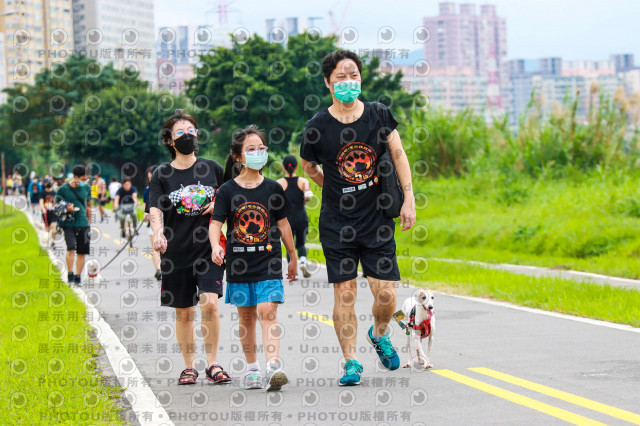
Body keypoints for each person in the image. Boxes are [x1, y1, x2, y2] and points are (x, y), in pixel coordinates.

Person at [300, 50, 417, 386]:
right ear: (328, 83)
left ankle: (379, 334)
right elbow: (308, 166)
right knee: (345, 293)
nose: (348, 82)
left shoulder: (378, 115)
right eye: (341, 77)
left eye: (353, 76)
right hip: (337, 224)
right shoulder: (317, 127)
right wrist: (332, 186)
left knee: (386, 295)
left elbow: (398, 155)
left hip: (378, 218)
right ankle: (351, 362)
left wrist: (409, 198)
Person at [210, 125, 297, 392]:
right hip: (239, 263)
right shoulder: (227, 190)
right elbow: (215, 224)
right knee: (246, 317)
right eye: (251, 149)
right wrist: (215, 246)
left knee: (267, 311)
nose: (258, 153)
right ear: (238, 156)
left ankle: (273, 367)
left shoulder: (273, 188)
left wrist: (293, 256)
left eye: (261, 148)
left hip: (269, 260)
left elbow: (283, 225)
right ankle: (252, 369)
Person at [149, 109, 232, 386]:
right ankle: (188, 367)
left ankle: (212, 364)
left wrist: (217, 204)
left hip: (209, 249)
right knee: (184, 311)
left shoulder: (212, 168)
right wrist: (158, 233)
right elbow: (155, 208)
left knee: (210, 303)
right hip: (176, 252)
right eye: (180, 133)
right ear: (170, 140)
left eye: (191, 131)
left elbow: (229, 195)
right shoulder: (162, 174)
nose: (188, 136)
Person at [55, 165, 92, 285]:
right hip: (68, 223)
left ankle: (78, 276)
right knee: (70, 248)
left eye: (86, 179)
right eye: (83, 179)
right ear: (75, 177)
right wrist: (66, 208)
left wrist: (89, 222)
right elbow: (56, 207)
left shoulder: (86, 188)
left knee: (82, 252)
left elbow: (89, 206)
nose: (84, 181)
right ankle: (70, 274)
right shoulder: (63, 189)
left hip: (83, 223)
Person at [277, 155, 313, 278]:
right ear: (297, 167)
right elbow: (308, 195)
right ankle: (303, 260)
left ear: (283, 167)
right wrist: (305, 201)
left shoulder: (279, 183)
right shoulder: (303, 181)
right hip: (301, 216)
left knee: (289, 245)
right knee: (301, 243)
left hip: (286, 219)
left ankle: (294, 272)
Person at [143, 165, 162, 281]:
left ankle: (159, 268)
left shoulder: (149, 189)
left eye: (151, 177)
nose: (150, 180)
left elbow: (146, 206)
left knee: (156, 246)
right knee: (157, 246)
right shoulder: (168, 186)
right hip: (158, 221)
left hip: (157, 221)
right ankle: (160, 268)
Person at [40, 180, 58, 249]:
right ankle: (46, 242)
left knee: (53, 227)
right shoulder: (42, 193)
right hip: (45, 212)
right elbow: (41, 201)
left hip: (53, 211)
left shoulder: (54, 193)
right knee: (47, 228)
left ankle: (53, 242)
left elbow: (56, 201)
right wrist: (43, 208)